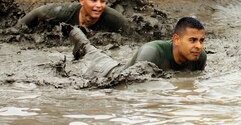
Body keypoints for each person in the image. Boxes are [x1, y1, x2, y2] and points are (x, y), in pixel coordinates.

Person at [68, 16, 207, 79]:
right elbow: (130, 86)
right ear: (176, 39)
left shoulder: (200, 57)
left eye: (201, 41)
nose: (198, 46)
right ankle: (72, 30)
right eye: (193, 40)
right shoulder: (152, 52)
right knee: (89, 51)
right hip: (107, 71)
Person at [17, 0, 130, 34]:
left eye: (103, 1)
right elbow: (38, 12)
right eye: (93, 0)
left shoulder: (114, 19)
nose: (99, 6)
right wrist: (18, 29)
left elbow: (134, 35)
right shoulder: (61, 13)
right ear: (82, 0)